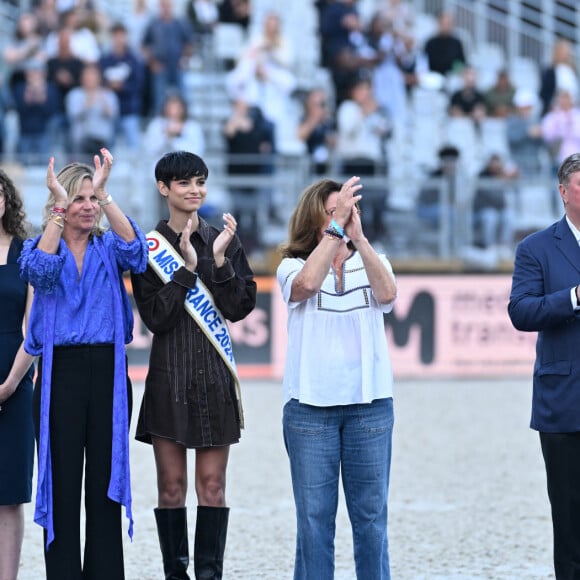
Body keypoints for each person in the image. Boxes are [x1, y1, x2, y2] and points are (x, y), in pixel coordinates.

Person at [18, 148, 148, 579]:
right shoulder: (41, 245)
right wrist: (58, 206)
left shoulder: (109, 246)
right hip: (59, 375)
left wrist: (107, 193)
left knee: (105, 486)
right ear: (61, 206)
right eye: (81, 199)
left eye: (93, 199)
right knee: (62, 482)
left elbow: (137, 252)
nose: (89, 207)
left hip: (109, 373)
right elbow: (39, 272)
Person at [130, 150, 256, 579]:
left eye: (200, 182)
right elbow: (156, 318)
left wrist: (218, 262)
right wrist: (185, 270)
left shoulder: (224, 239)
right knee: (171, 489)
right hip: (170, 379)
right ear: (164, 188)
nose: (195, 190)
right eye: (185, 183)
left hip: (213, 378)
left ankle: (209, 575)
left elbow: (239, 307)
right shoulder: (147, 248)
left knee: (213, 488)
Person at [276, 175, 397, 579]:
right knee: (313, 523)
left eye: (349, 212)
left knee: (372, 519)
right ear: (315, 222)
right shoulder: (291, 266)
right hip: (310, 409)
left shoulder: (373, 258)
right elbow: (307, 285)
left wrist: (360, 240)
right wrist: (334, 230)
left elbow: (388, 295)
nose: (344, 219)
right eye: (333, 214)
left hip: (371, 407)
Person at [508, 152, 580, 580]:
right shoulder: (535, 248)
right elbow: (521, 311)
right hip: (564, 403)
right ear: (563, 191)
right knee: (569, 516)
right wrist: (573, 298)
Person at [0, 169, 35, 580]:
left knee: (9, 495)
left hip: (15, 378)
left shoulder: (26, 252)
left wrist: (9, 384)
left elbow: (36, 327)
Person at [423, 10, 466, 76]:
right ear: (439, 23)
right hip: (434, 76)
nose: (446, 26)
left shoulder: (457, 43)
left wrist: (457, 72)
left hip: (452, 76)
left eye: (449, 24)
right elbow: (424, 63)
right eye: (444, 23)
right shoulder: (430, 43)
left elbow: (461, 62)